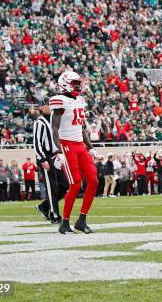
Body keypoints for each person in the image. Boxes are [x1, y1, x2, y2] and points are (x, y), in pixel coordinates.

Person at [50, 71, 99, 234]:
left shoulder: (80, 100)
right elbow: (54, 128)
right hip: (66, 144)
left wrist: (90, 147)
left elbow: (82, 127)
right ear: (65, 83)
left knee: (93, 180)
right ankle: (64, 222)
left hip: (80, 145)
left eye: (79, 83)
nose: (78, 86)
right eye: (74, 83)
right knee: (75, 183)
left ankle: (82, 220)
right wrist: (58, 150)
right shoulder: (59, 101)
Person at [34, 97, 69, 223]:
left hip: (56, 156)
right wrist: (43, 159)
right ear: (42, 107)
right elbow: (37, 143)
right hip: (46, 156)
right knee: (51, 186)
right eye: (48, 105)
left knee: (65, 184)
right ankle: (54, 215)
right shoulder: (40, 122)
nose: (50, 107)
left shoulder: (55, 120)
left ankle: (44, 206)